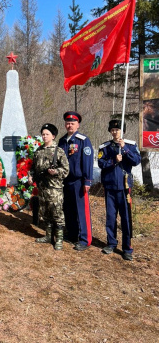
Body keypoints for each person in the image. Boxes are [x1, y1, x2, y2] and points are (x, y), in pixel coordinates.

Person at [98, 119, 141, 261]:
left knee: (126, 219)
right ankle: (111, 243)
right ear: (110, 131)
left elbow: (135, 161)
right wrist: (113, 161)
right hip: (110, 186)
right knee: (111, 217)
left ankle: (127, 248)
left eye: (118, 130)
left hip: (124, 187)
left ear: (123, 131)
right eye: (113, 130)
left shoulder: (130, 145)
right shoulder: (105, 147)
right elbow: (101, 163)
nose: (115, 132)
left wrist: (125, 149)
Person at [30, 123, 69, 250]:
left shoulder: (59, 151)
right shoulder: (38, 151)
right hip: (42, 188)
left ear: (53, 136)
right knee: (45, 212)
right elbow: (33, 168)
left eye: (47, 134)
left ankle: (59, 240)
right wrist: (31, 177)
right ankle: (48, 236)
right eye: (43, 134)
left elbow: (66, 170)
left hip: (54, 189)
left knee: (57, 214)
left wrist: (56, 172)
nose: (44, 136)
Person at [58, 111, 94, 251]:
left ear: (78, 124)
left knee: (82, 210)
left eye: (72, 123)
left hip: (79, 181)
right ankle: (72, 234)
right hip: (65, 180)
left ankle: (85, 239)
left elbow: (88, 161)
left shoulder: (83, 140)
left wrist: (87, 180)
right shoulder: (62, 141)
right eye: (67, 123)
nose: (69, 125)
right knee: (69, 209)